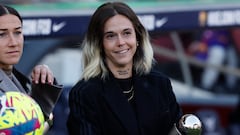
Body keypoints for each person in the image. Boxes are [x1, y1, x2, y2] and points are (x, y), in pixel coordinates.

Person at [67, 2, 182, 135]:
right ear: (99, 44)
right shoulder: (85, 93)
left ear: (137, 38)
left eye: (127, 33)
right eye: (111, 36)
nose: (121, 42)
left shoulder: (160, 84)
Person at [0, 4, 63, 133]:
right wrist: (47, 117)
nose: (13, 42)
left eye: (17, 32)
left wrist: (41, 96)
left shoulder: (15, 77)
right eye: (2, 35)